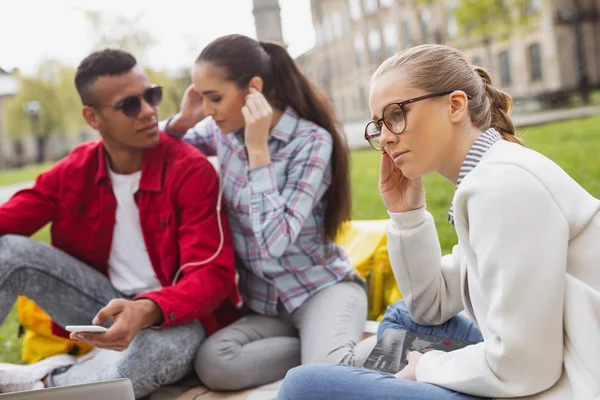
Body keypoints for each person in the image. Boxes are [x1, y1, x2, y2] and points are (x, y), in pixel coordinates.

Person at [277, 44, 600, 399]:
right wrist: (407, 216)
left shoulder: (504, 186)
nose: (385, 137)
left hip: (566, 382)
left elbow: (526, 366)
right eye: (378, 125)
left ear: (455, 105)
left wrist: (427, 368)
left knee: (304, 386)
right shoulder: (489, 175)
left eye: (396, 113)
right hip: (537, 367)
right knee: (403, 318)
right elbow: (429, 306)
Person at [0, 49, 240, 398]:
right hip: (102, 306)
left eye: (151, 95)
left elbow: (212, 274)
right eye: (129, 105)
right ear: (92, 118)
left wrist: (147, 309)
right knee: (8, 252)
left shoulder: (189, 170)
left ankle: (48, 383)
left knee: (150, 359)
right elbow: (11, 217)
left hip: (174, 316)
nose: (148, 111)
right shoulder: (75, 170)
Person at [162, 34, 369, 391]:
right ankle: (316, 351)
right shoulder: (221, 131)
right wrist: (182, 120)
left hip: (320, 290)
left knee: (325, 383)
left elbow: (274, 241)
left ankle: (339, 352)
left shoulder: (312, 141)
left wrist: (257, 150)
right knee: (213, 362)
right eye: (201, 97)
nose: (208, 110)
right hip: (267, 307)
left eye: (215, 97)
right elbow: (166, 151)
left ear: (254, 89)